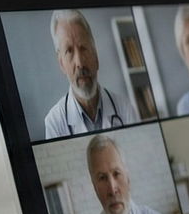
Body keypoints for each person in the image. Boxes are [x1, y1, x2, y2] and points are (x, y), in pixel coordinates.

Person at [42, 9, 139, 140]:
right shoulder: (54, 123)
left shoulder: (125, 108)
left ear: (96, 56)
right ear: (61, 64)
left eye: (83, 48)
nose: (80, 63)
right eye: (69, 51)